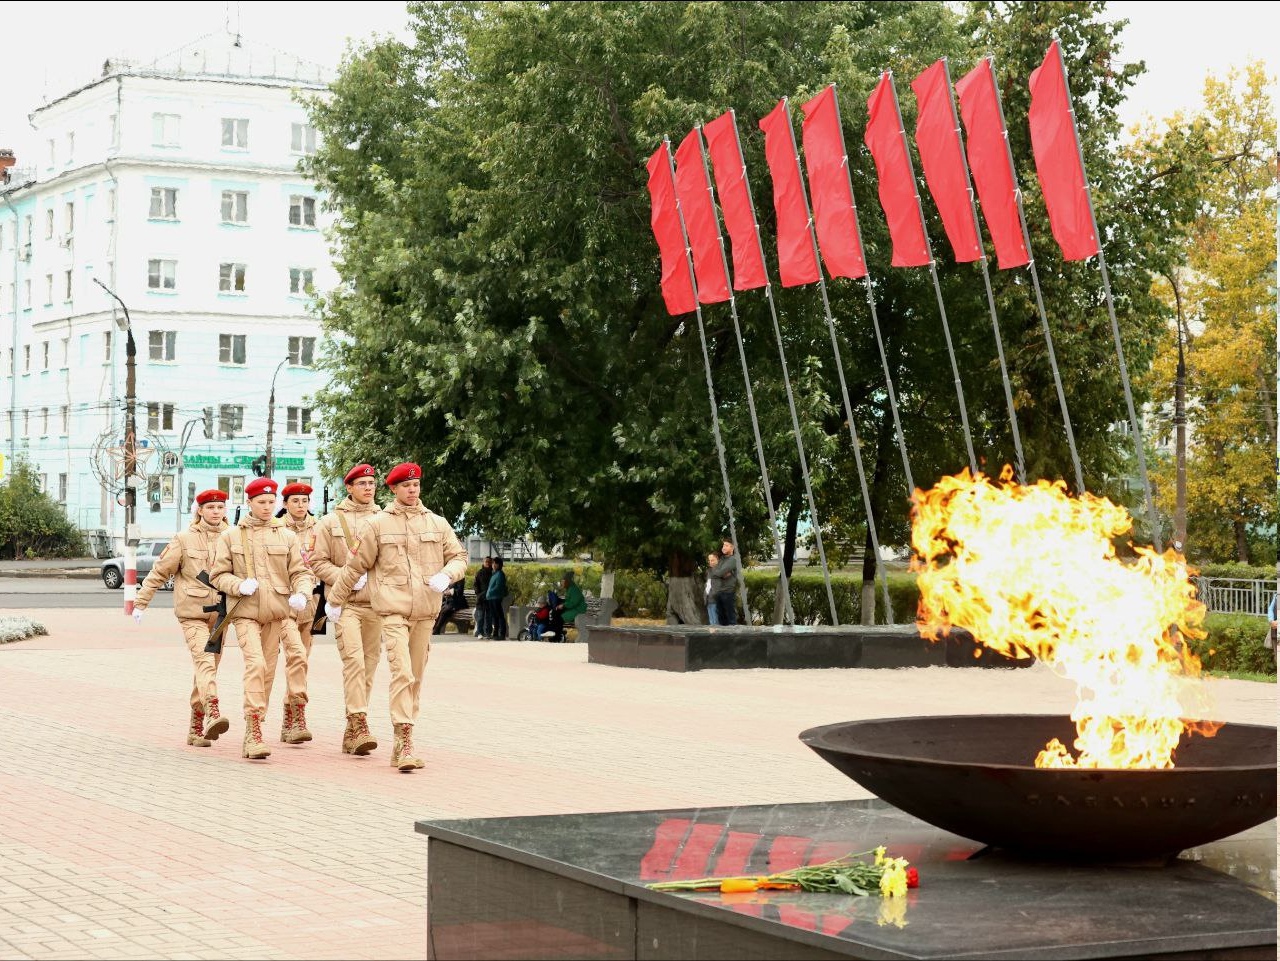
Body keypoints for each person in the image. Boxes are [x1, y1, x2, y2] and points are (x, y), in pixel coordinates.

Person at [325, 462, 469, 772]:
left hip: (425, 613)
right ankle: (403, 743)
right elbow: (355, 567)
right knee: (401, 672)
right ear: (394, 489)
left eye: (416, 485)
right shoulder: (377, 524)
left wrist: (447, 575)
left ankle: (405, 737)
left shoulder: (437, 523)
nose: (412, 490)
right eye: (405, 486)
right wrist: (336, 600)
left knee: (415, 676)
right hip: (391, 612)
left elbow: (459, 557)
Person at [211, 477, 313, 760]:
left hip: (277, 614)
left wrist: (302, 594)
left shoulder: (287, 537)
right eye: (261, 502)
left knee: (267, 671)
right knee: (255, 664)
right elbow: (218, 575)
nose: (267, 507)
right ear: (249, 503)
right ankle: (253, 727)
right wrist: (237, 585)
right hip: (245, 612)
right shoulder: (231, 537)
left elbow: (301, 572)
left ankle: (256, 726)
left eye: (271, 502)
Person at [132, 489, 232, 747]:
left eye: (220, 507)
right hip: (192, 615)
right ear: (200, 510)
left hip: (221, 614)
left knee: (207, 668)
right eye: (210, 507)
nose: (216, 512)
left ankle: (196, 727)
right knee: (205, 662)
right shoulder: (183, 539)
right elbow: (159, 571)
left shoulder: (232, 538)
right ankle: (213, 711)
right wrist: (141, 603)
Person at [308, 463, 383, 756]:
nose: (368, 488)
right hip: (346, 605)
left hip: (376, 605)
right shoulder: (329, 522)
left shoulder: (384, 519)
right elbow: (317, 561)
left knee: (369, 667)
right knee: (354, 662)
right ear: (349, 487)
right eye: (362, 483)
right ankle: (360, 721)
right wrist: (345, 577)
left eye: (371, 483)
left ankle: (352, 730)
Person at [276, 481, 319, 744]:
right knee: (297, 655)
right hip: (284, 604)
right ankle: (298, 712)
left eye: (304, 501)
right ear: (285, 504)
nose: (301, 506)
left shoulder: (320, 528)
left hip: (311, 603)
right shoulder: (276, 529)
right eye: (295, 501)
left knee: (301, 661)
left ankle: (289, 718)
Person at [546, 570, 586, 641]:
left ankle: (556, 637)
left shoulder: (574, 589)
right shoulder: (569, 588)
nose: (561, 583)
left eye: (563, 581)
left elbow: (573, 602)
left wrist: (563, 605)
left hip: (578, 610)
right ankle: (556, 633)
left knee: (559, 617)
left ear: (567, 582)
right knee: (555, 612)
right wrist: (560, 602)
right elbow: (569, 601)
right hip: (572, 608)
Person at [709, 538, 741, 626]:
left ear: (732, 548)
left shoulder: (733, 560)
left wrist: (718, 572)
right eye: (723, 545)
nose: (724, 547)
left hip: (728, 592)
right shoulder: (722, 559)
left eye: (726, 545)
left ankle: (733, 638)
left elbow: (719, 572)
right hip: (719, 591)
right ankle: (724, 639)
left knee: (730, 619)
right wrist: (719, 572)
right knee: (721, 620)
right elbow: (715, 572)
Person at [485, 557, 509, 640]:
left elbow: (499, 586)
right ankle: (495, 634)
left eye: (496, 563)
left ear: (499, 565)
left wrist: (490, 592)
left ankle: (502, 634)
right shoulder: (494, 574)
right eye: (493, 563)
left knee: (499, 616)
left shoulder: (500, 574)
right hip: (491, 597)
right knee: (494, 616)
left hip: (496, 597)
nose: (493, 565)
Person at [473, 556, 494, 638]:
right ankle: (480, 632)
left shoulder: (493, 573)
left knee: (489, 617)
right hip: (481, 598)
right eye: (486, 562)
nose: (488, 563)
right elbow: (475, 585)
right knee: (481, 616)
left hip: (490, 598)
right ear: (483, 562)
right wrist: (479, 594)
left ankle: (488, 632)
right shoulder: (479, 572)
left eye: (489, 562)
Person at [704, 551, 721, 625]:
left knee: (717, 623)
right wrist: (705, 596)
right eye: (709, 560)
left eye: (713, 560)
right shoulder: (709, 571)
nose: (711, 562)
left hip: (716, 601)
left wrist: (714, 595)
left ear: (718, 560)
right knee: (712, 622)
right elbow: (708, 585)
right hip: (708, 600)